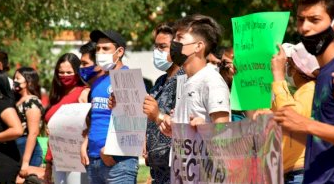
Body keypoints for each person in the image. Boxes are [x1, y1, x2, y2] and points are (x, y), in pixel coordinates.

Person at [273, 0, 334, 183]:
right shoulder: (325, 73)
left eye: (314, 20)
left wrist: (306, 124)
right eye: (300, 20)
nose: (305, 27)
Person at [257, 43, 319, 183]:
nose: (287, 70)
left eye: (288, 65)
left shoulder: (310, 89)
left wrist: (278, 76)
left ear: (296, 69)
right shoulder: (303, 92)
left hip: (300, 172)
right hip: (293, 172)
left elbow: (290, 115)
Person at [160, 14, 231, 137]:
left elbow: (224, 134)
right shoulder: (187, 80)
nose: (173, 43)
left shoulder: (211, 81)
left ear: (198, 46)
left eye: (179, 38)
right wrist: (174, 130)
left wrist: (205, 128)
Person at [82, 29, 138, 184]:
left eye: (105, 49)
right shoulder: (98, 82)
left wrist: (111, 151)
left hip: (118, 162)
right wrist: (85, 145)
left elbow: (136, 122)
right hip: (94, 160)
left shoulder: (128, 78)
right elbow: (96, 118)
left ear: (119, 51)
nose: (100, 53)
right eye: (98, 49)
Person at [142, 23, 184, 184]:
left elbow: (182, 123)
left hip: (177, 170)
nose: (157, 52)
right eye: (155, 47)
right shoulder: (159, 81)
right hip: (157, 171)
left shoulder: (185, 79)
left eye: (162, 47)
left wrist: (157, 115)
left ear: (176, 48)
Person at [43, 53, 89, 184]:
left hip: (77, 155)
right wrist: (48, 163)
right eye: (61, 72)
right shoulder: (56, 95)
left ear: (77, 72)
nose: (64, 76)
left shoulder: (84, 92)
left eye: (69, 72)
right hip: (58, 156)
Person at [13, 67, 44, 178]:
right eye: (14, 78)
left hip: (27, 148)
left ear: (29, 81)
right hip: (17, 146)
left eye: (18, 78)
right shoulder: (17, 100)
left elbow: (33, 133)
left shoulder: (32, 101)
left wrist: (25, 162)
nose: (14, 81)